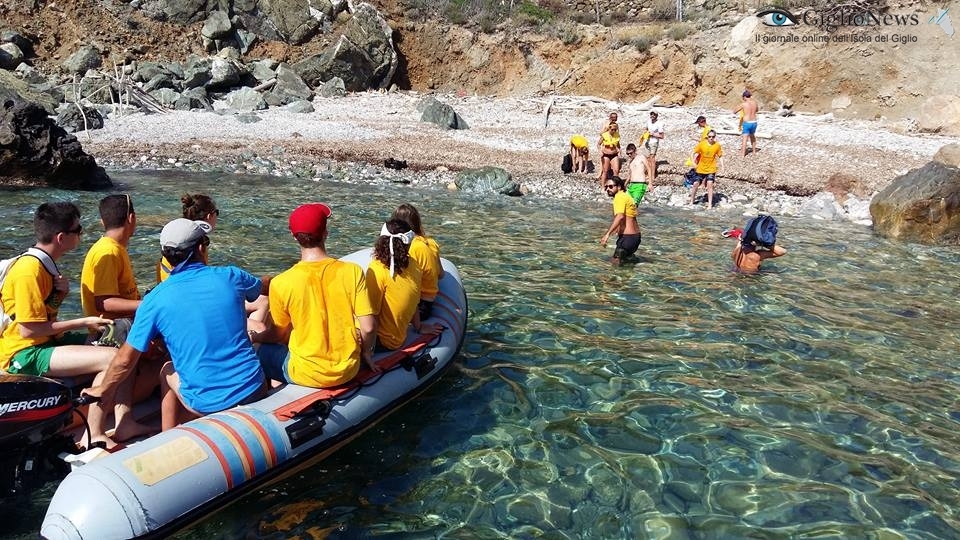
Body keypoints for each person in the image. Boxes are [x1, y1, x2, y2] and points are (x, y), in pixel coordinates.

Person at [83, 218, 270, 431]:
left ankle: (168, 434)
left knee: (167, 368)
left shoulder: (154, 300)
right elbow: (262, 287)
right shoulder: (232, 275)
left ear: (166, 257)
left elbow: (124, 360)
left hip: (207, 404)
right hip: (254, 387)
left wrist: (102, 389)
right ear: (201, 248)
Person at [1, 202, 139, 445]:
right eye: (79, 229)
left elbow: (42, 316)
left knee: (125, 347)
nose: (82, 234)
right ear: (62, 237)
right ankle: (94, 434)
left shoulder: (45, 265)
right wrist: (83, 321)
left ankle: (124, 421)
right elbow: (29, 329)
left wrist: (58, 296)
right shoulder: (28, 271)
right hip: (24, 353)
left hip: (44, 342)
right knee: (111, 358)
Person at [255, 204, 378, 388]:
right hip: (348, 369)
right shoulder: (352, 271)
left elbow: (278, 335)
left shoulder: (281, 283)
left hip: (306, 372)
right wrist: (366, 352)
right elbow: (368, 328)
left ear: (293, 236)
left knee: (257, 350)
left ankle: (266, 396)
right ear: (325, 233)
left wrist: (254, 337)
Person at [156, 193, 269, 323]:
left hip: (175, 303)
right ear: (210, 215)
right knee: (262, 306)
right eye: (217, 213)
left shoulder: (174, 240)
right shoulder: (200, 246)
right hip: (194, 309)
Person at [366, 220, 442, 351]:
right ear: (409, 243)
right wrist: (418, 326)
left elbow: (370, 317)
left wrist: (367, 350)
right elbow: (414, 301)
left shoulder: (376, 269)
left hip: (381, 340)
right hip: (397, 338)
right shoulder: (414, 266)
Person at [81, 194, 140, 321]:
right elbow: (105, 302)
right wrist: (149, 305)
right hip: (111, 331)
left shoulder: (112, 247)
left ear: (102, 222)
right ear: (131, 218)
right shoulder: (109, 251)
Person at [392, 203, 442, 321]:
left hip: (419, 307)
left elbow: (407, 285)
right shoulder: (431, 242)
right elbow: (441, 274)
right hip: (428, 303)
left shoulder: (410, 247)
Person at [599, 176, 641, 266]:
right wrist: (617, 230)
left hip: (627, 238)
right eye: (606, 187)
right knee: (626, 266)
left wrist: (607, 235)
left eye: (611, 186)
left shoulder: (619, 197)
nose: (607, 189)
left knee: (614, 266)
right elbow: (632, 214)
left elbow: (620, 216)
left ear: (619, 187)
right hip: (635, 238)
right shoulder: (626, 196)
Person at [688, 130, 724, 208]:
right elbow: (693, 152)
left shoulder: (717, 145)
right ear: (707, 137)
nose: (711, 138)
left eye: (713, 137)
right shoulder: (702, 144)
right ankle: (692, 201)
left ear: (715, 137)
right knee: (695, 184)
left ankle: (710, 204)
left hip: (711, 168)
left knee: (710, 184)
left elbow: (720, 156)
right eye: (709, 136)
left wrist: (722, 166)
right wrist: (693, 162)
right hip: (701, 168)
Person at [641, 111, 665, 183]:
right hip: (648, 142)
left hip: (654, 142)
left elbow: (662, 136)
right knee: (647, 158)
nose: (652, 116)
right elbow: (646, 129)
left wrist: (653, 134)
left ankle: (652, 176)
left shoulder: (659, 123)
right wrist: (645, 133)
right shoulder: (648, 122)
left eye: (654, 114)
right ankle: (648, 174)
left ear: (656, 116)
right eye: (651, 114)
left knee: (652, 158)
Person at [734, 90, 759, 156]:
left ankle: (743, 154)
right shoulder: (755, 103)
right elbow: (757, 110)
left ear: (744, 97)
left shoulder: (743, 104)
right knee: (752, 136)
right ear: (750, 96)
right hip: (754, 122)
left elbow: (734, 111)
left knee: (745, 138)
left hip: (747, 122)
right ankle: (754, 151)